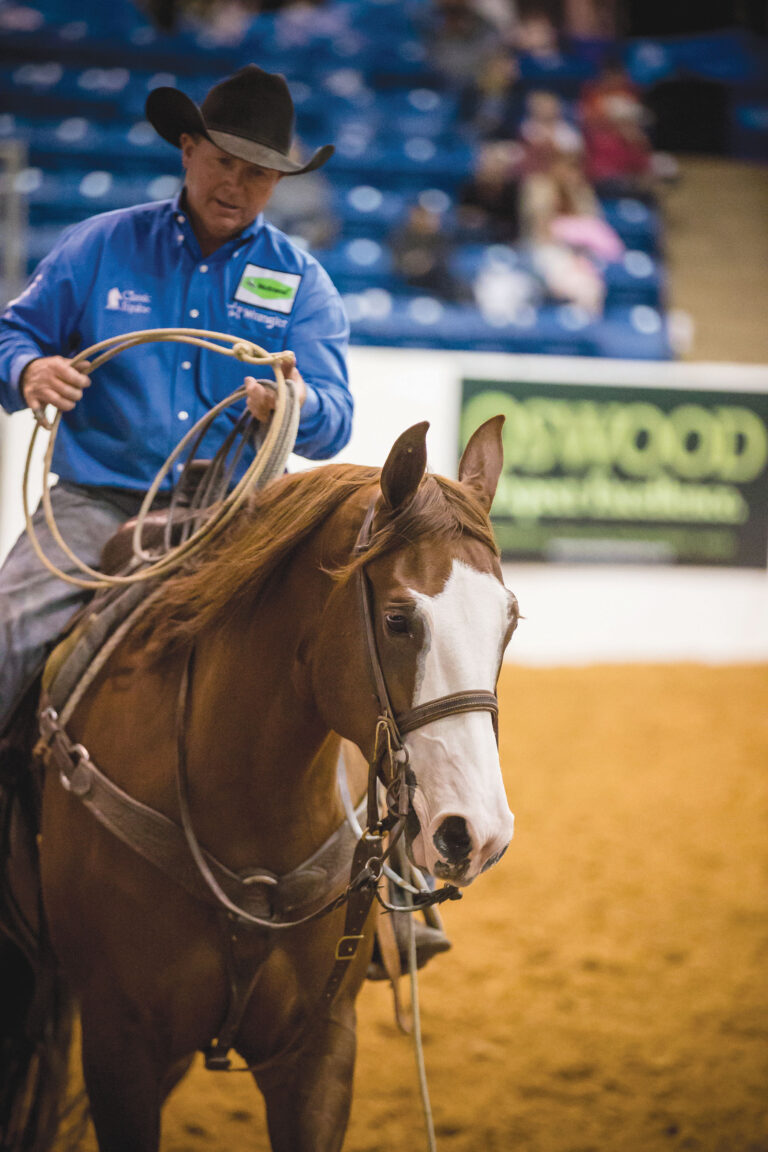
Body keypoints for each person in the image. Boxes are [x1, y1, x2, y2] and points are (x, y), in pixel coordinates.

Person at [0, 64, 352, 735]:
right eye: (222, 161)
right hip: (96, 505)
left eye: (257, 173)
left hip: (237, 518)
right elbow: (12, 333)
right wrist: (29, 371)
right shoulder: (102, 245)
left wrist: (294, 406)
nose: (236, 185)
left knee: (337, 660)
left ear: (277, 182)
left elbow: (335, 417)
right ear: (188, 149)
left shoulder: (301, 281)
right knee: (9, 628)